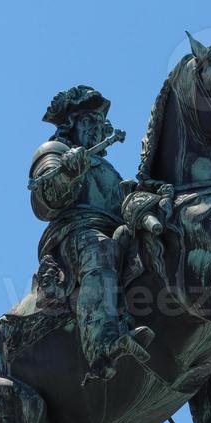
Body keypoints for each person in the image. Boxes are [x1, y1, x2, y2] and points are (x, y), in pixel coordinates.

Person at [29, 85, 153, 381]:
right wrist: (68, 173)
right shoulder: (53, 153)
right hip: (74, 235)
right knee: (101, 249)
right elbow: (44, 202)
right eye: (88, 122)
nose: (96, 130)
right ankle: (103, 344)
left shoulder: (107, 169)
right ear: (70, 125)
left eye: (100, 124)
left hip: (115, 231)